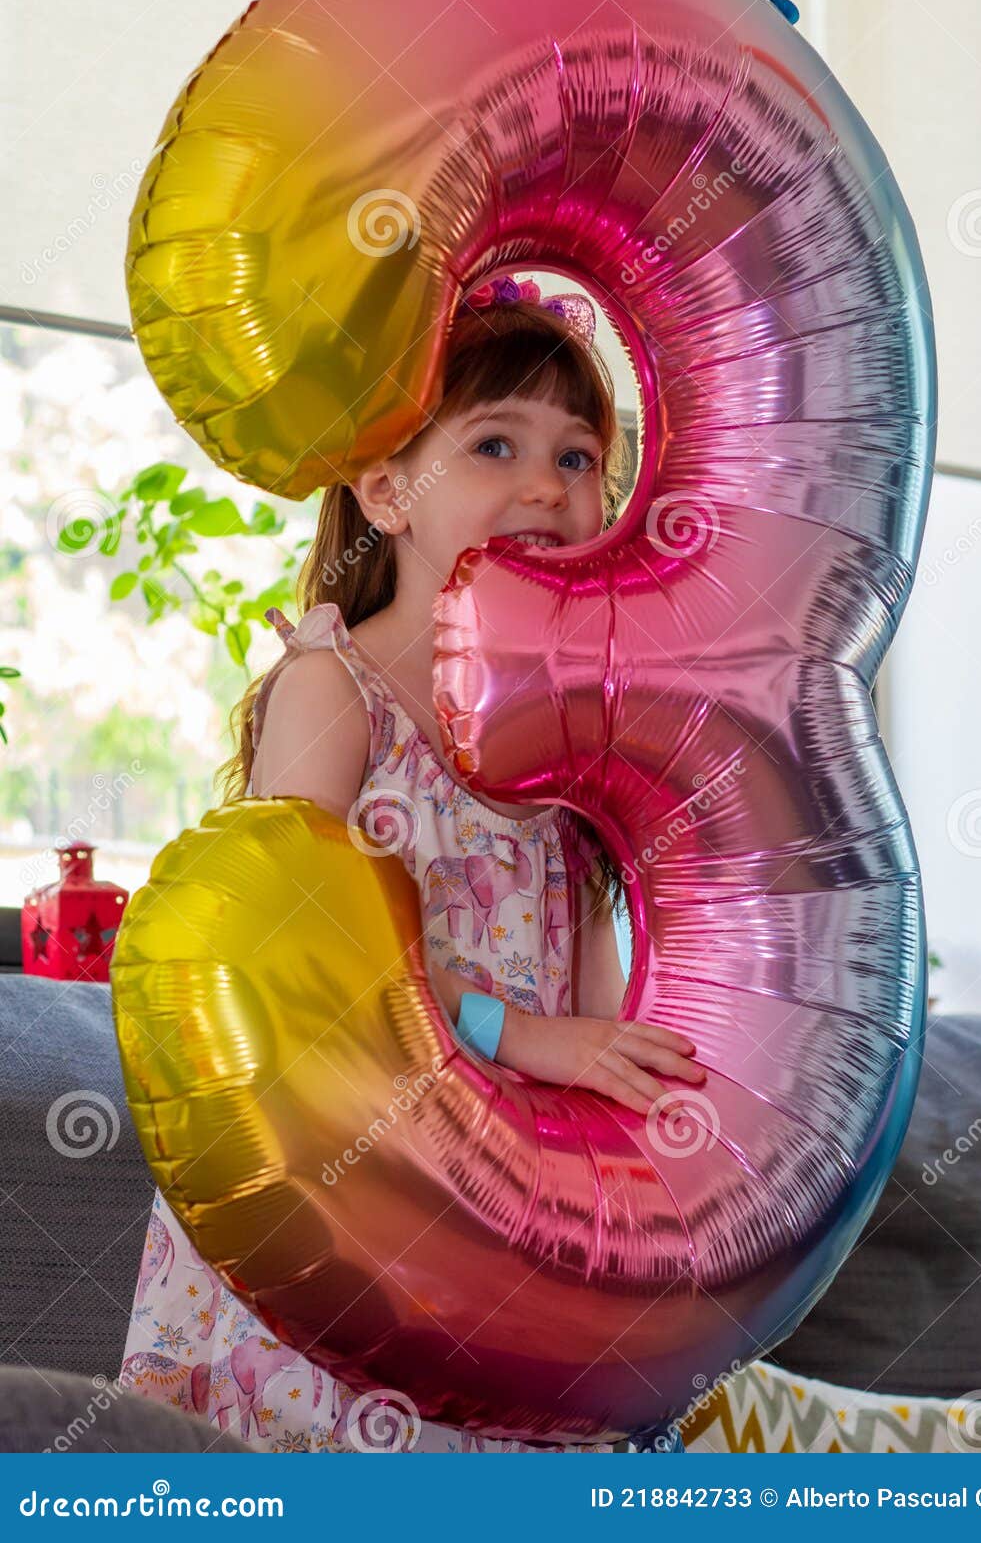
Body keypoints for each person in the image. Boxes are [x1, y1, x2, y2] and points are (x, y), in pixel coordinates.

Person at [118, 275, 704, 1453]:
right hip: (340, 1198)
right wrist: (524, 1038)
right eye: (496, 444)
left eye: (580, 456)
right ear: (386, 491)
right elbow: (292, 985)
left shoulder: (583, 749)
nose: (547, 482)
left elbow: (601, 1007)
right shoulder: (339, 692)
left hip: (504, 1218)